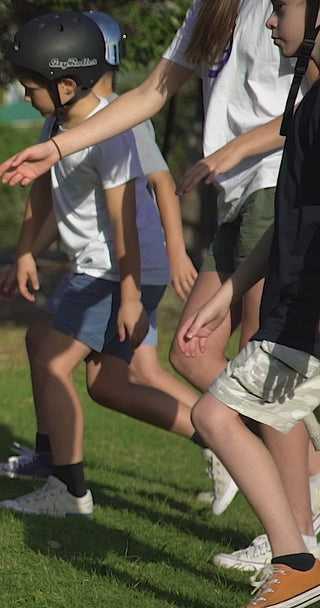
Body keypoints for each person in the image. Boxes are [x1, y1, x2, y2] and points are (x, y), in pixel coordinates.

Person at [0, 0, 320, 569]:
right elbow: (151, 95)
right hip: (237, 195)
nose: (274, 25)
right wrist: (53, 148)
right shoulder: (211, 10)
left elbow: (303, 111)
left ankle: (297, 540)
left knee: (263, 370)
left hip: (272, 183)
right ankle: (293, 522)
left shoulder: (292, 10)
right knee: (193, 354)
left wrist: (236, 149)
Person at [0, 9, 232, 506]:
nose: (25, 97)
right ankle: (223, 440)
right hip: (102, 268)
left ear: (67, 84)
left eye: (30, 88)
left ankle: (68, 489)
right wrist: (25, 254)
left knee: (51, 357)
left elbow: (126, 222)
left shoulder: (114, 129)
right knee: (108, 384)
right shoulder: (58, 124)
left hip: (114, 269)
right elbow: (47, 196)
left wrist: (132, 293)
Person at [175, 2, 320, 602]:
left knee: (214, 415)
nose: (267, 21)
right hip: (297, 314)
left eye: (281, 9)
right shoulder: (307, 109)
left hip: (304, 318)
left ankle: (296, 564)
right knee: (220, 410)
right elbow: (286, 227)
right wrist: (226, 295)